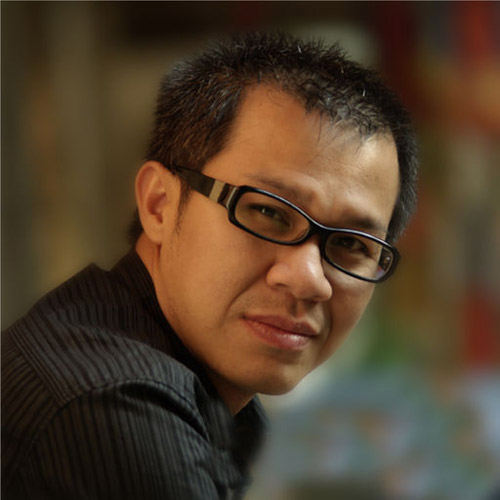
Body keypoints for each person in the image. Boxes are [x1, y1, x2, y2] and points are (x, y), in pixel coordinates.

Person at [2, 31, 418, 499]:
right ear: (159, 204)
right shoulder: (111, 406)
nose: (308, 280)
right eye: (269, 212)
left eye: (351, 244)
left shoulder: (201, 398)